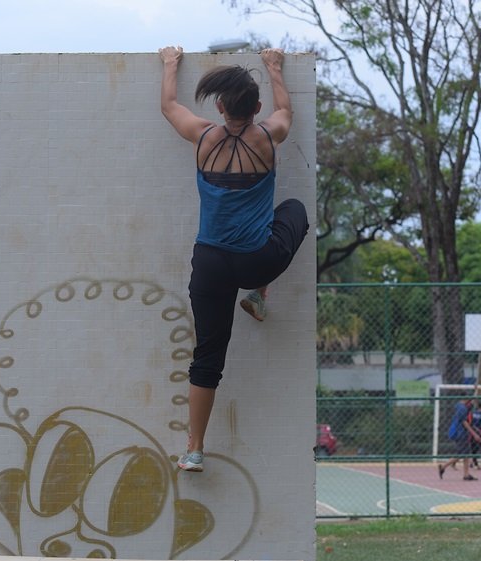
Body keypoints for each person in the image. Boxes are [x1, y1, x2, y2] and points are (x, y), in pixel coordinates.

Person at [159, 46, 308, 472]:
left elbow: (169, 105)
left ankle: (194, 449)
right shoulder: (267, 137)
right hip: (257, 262)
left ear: (220, 106)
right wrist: (274, 67)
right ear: (255, 107)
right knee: (293, 211)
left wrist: (170, 63)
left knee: (208, 357)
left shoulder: (203, 137)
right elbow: (286, 109)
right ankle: (259, 297)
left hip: (210, 266)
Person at [438, 398, 481, 481]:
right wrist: (474, 434)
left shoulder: (459, 406)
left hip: (462, 434)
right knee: (461, 454)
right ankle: (443, 466)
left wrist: (476, 389)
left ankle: (466, 474)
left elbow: (472, 402)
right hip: (461, 434)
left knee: (466, 454)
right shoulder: (462, 408)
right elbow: (464, 423)